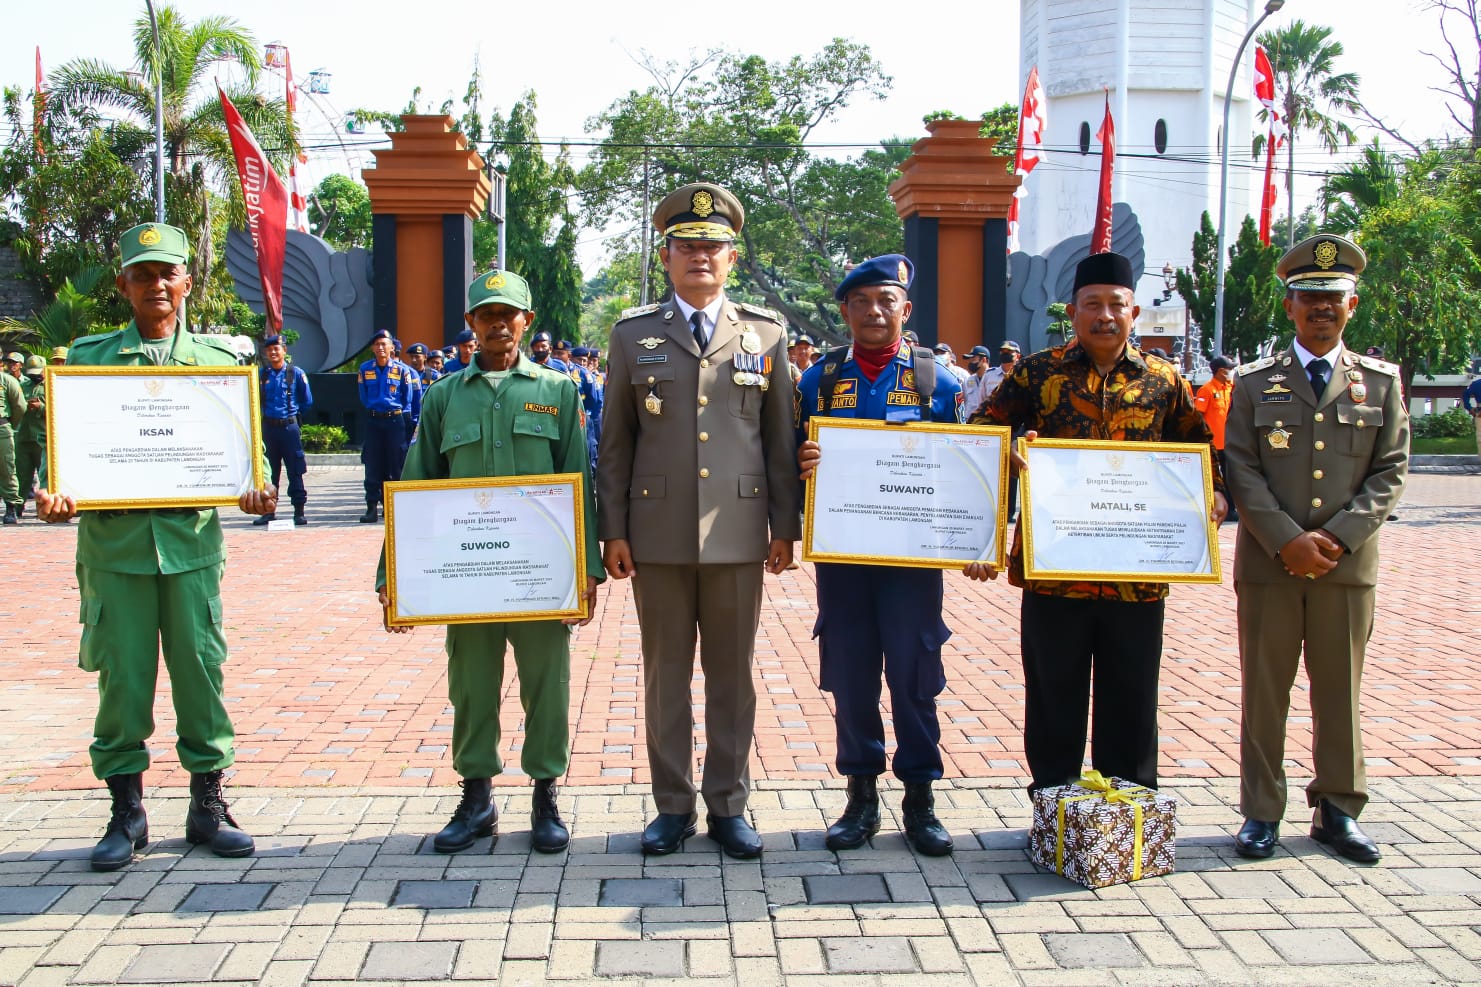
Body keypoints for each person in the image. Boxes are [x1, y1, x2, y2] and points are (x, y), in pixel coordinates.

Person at [33, 222, 275, 870]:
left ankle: (207, 804)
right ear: (123, 285)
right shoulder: (87, 363)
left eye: (167, 272)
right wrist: (52, 495)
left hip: (191, 549)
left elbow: (250, 460)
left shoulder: (219, 367)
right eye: (143, 274)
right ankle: (126, 812)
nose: (157, 285)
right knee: (123, 682)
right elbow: (59, 463)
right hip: (115, 552)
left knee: (201, 675)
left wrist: (260, 488)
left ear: (187, 281)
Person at [967, 251, 1227, 795]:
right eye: (1092, 305)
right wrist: (1016, 448)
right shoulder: (1038, 373)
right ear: (1072, 311)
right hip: (1054, 566)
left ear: (1133, 312)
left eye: (1116, 305)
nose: (1104, 315)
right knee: (1053, 690)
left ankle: (1128, 809)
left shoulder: (1164, 380)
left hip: (1137, 573)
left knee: (1131, 692)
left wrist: (1215, 498)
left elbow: (1199, 449)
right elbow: (977, 433)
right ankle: (1055, 806)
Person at [597, 181, 800, 859]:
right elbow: (616, 443)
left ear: (732, 257)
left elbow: (778, 441)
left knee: (732, 676)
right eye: (687, 246)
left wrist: (785, 526)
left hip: (740, 534)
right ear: (666, 255)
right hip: (653, 537)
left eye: (712, 246)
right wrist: (612, 528)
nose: (700, 257)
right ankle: (672, 805)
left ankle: (729, 803)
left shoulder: (764, 334)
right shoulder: (633, 335)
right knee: (664, 675)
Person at [376, 269, 602, 854]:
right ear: (471, 324)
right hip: (467, 578)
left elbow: (579, 479)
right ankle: (476, 797)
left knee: (546, 685)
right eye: (486, 315)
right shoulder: (442, 396)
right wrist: (392, 576)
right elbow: (417, 482)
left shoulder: (558, 392)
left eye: (509, 314)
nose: (498, 324)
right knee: (471, 686)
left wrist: (588, 568)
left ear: (526, 322)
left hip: (540, 577)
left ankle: (545, 796)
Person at [1224, 235, 1409, 864]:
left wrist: (1335, 538)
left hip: (1346, 567)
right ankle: (1261, 811)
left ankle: (1339, 808)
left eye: (1332, 298)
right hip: (1271, 566)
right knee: (1265, 689)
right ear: (1290, 305)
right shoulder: (1255, 384)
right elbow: (1241, 469)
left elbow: (1391, 470)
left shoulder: (1381, 384)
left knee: (1340, 690)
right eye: (1309, 297)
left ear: (1351, 305)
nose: (1320, 308)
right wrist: (1287, 540)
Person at [795, 254, 963, 856]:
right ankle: (860, 796)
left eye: (885, 300)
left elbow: (968, 470)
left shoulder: (938, 382)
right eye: (861, 301)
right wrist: (801, 465)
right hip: (843, 559)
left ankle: (920, 797)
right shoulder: (817, 381)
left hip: (912, 563)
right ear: (845, 310)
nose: (873, 311)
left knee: (915, 675)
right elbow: (788, 460)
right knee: (851, 672)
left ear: (905, 309)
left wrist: (978, 530)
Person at [255, 334, 314, 527]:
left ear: (284, 351)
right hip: (269, 428)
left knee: (295, 470)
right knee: (269, 472)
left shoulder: (295, 373)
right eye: (269, 349)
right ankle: (268, 511)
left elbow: (306, 401)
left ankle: (299, 511)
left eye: (276, 348)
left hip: (289, 427)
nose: (273, 352)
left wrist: (293, 418)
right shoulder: (262, 375)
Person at [358, 329, 412, 523]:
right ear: (373, 348)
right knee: (373, 464)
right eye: (377, 344)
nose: (381, 348)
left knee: (396, 463)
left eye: (384, 344)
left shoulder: (402, 370)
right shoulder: (365, 369)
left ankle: (397, 508)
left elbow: (407, 398)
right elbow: (363, 396)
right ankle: (372, 507)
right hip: (374, 420)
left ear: (391, 347)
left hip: (394, 421)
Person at [1195, 355, 1237, 522]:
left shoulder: (1229, 388)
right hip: (1214, 444)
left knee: (1231, 477)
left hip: (1229, 442)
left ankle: (1232, 508)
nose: (1231, 372)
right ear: (1221, 371)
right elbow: (1198, 416)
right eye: (1230, 369)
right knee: (1216, 479)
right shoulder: (1207, 390)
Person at [15, 356, 46, 518]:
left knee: (47, 477)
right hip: (24, 436)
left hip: (43, 438)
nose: (35, 376)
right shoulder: (22, 385)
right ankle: (16, 508)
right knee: (22, 475)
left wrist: (40, 407)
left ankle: (46, 509)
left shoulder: (51, 385)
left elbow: (59, 409)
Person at [0, 355, 23, 524]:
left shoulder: (6, 380)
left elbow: (19, 406)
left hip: (2, 428)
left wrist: (8, 425)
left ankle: (11, 507)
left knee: (7, 468)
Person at [1462, 371, 1481, 462]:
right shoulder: (1477, 384)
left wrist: (1469, 408)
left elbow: (1465, 394)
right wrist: (1469, 408)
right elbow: (1466, 394)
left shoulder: (1476, 384)